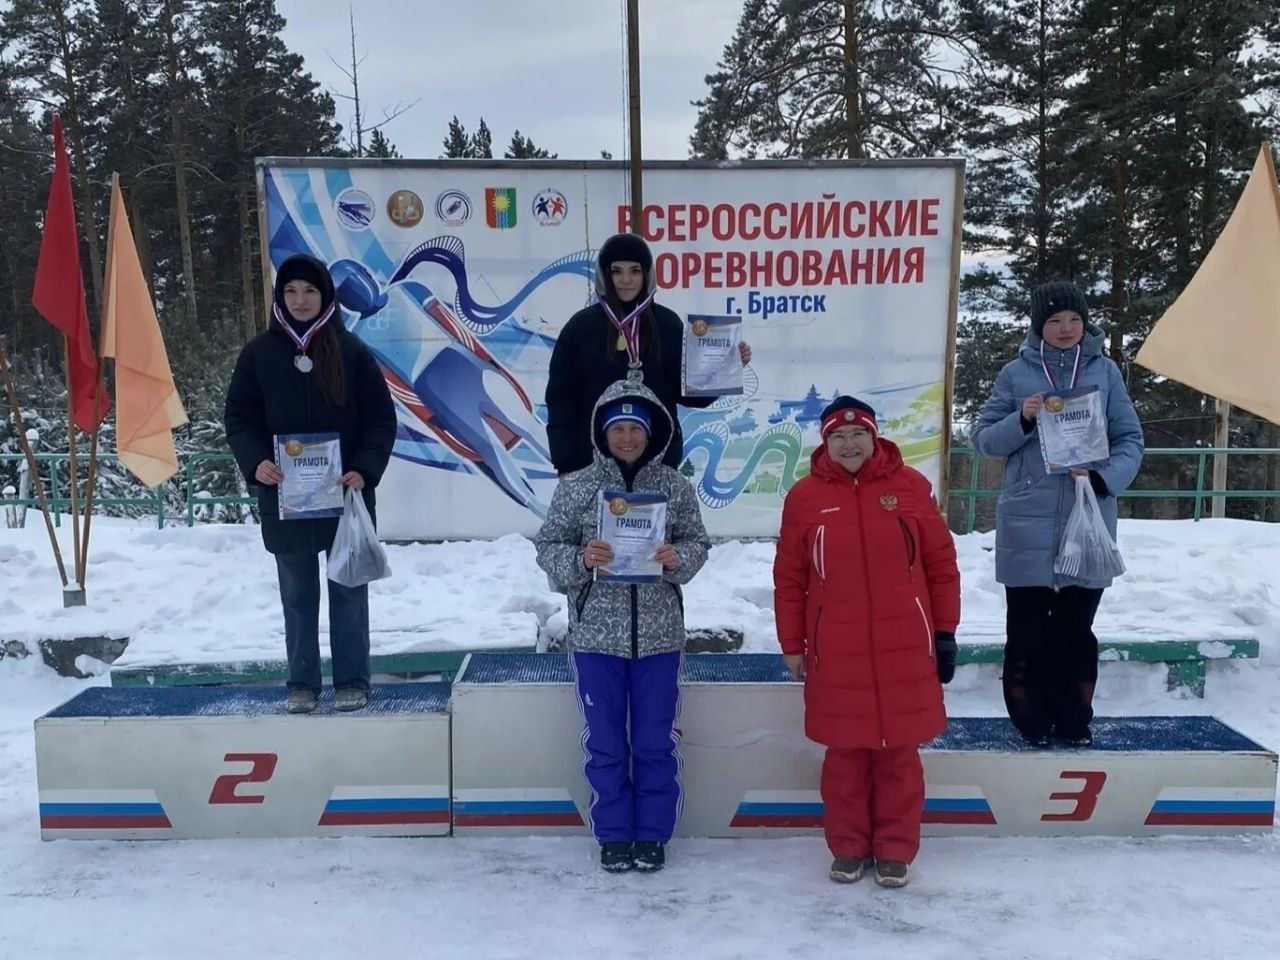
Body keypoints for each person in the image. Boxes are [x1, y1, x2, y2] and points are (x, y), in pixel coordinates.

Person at [773, 396, 960, 889]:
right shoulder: (805, 498)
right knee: (846, 756)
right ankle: (849, 847)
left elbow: (941, 565)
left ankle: (895, 849)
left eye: (858, 435)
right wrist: (792, 644)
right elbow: (790, 580)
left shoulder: (910, 487)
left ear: (875, 438)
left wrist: (945, 632)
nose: (849, 444)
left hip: (906, 644)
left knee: (899, 755)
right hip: (836, 648)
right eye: (838, 436)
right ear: (825, 443)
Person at [535, 378, 710, 873]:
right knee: (606, 741)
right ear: (602, 433)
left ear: (652, 433)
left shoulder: (673, 485)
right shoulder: (578, 486)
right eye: (618, 428)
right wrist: (580, 558)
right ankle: (614, 833)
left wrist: (678, 558)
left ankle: (652, 833)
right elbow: (548, 547)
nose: (628, 438)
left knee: (655, 741)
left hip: (659, 638)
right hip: (596, 638)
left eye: (636, 428)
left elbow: (698, 542)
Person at [971, 280, 1144, 748]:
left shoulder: (1106, 372)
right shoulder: (1015, 374)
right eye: (1054, 320)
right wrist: (1022, 420)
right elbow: (984, 440)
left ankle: (1073, 720)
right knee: (1026, 632)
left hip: (1088, 518)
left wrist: (1105, 479)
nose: (1066, 328)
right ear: (1038, 326)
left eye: (1074, 319)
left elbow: (1131, 438)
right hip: (1026, 520)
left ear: (1085, 323)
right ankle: (1031, 721)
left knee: (1075, 631)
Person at [225, 254, 396, 714]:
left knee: (348, 591)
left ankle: (352, 681)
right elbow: (239, 420)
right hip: (286, 499)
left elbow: (381, 420)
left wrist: (364, 469)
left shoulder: (352, 351)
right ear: (280, 297)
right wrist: (257, 462)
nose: (300, 300)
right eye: (291, 291)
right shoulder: (258, 355)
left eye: (310, 291)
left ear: (326, 297)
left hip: (345, 496)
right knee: (297, 597)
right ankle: (302, 683)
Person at [544, 232, 751, 475]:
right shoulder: (580, 328)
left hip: (657, 464)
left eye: (634, 271)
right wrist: (566, 464)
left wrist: (727, 366)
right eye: (617, 271)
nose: (626, 280)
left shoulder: (667, 324)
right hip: (592, 466)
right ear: (605, 275)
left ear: (647, 274)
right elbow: (561, 401)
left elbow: (689, 393)